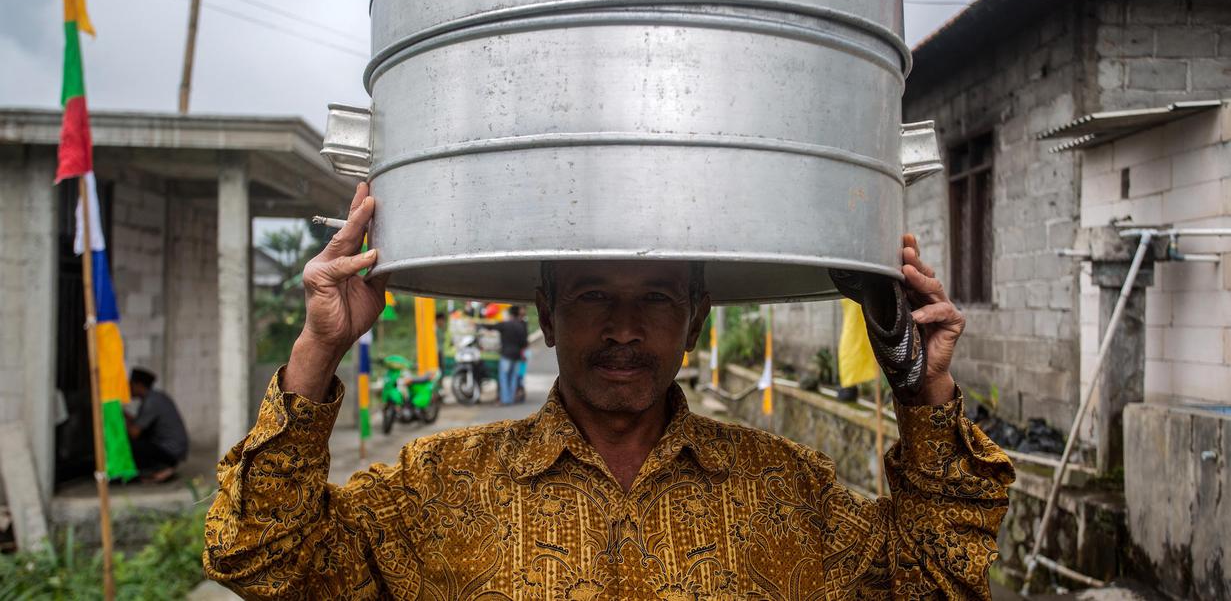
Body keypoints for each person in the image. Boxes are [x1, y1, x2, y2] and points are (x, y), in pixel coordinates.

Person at [204, 183, 1014, 598]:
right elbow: (261, 560)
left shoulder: (784, 490)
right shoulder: (437, 488)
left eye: (655, 299)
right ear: (547, 317)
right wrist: (320, 347)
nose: (624, 328)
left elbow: (938, 580)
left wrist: (922, 391)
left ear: (694, 319)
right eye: (592, 295)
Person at [125, 367, 189, 483]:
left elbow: (134, 432)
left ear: (139, 385)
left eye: (131, 384)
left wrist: (120, 419)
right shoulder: (155, 397)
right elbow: (139, 422)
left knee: (129, 444)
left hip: (170, 452)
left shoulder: (151, 402)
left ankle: (160, 469)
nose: (128, 388)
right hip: (173, 450)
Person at [480, 305, 529, 405]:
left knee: (504, 378)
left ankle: (505, 400)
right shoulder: (521, 326)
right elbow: (524, 342)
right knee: (513, 378)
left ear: (510, 314)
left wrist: (478, 323)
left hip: (506, 355)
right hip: (517, 356)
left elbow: (490, 327)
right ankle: (510, 399)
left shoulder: (505, 324)